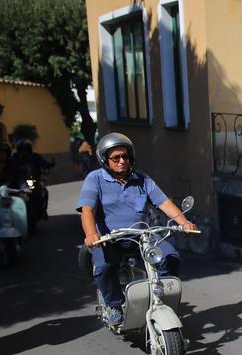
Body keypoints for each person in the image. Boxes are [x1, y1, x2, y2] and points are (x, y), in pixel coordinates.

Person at [76, 132, 196, 326]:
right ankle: (114, 305)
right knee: (104, 267)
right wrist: (91, 234)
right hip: (109, 239)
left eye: (125, 156)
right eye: (116, 158)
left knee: (170, 257)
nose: (122, 161)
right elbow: (87, 210)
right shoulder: (95, 179)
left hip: (143, 237)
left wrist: (184, 222)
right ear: (105, 160)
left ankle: (161, 299)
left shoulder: (142, 179)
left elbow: (164, 202)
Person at [11, 138, 51, 222]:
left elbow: (44, 164)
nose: (24, 152)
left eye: (26, 149)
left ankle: (43, 210)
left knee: (44, 192)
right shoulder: (14, 158)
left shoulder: (36, 156)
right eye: (21, 149)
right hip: (19, 183)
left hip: (34, 181)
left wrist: (48, 166)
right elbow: (8, 167)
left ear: (30, 149)